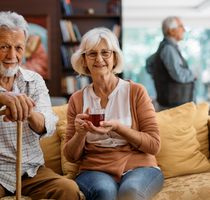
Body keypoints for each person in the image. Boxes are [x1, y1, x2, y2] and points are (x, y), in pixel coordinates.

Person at [0, 11, 82, 200]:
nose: (12, 55)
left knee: (69, 190)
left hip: (30, 170)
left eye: (19, 48)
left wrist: (27, 111)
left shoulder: (34, 81)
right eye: (4, 47)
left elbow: (46, 127)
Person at [63, 27, 164, 200]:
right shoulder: (77, 99)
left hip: (139, 167)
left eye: (105, 53)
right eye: (92, 54)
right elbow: (71, 157)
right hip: (95, 170)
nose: (99, 59)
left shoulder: (136, 92)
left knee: (130, 191)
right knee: (104, 192)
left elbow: (154, 145)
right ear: (84, 60)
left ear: (115, 58)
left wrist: (118, 127)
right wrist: (80, 134)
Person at [146, 16, 197, 111]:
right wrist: (193, 74)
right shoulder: (169, 48)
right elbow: (179, 75)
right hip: (174, 105)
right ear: (171, 30)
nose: (184, 30)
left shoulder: (165, 47)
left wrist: (160, 76)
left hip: (171, 103)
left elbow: (149, 63)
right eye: (181, 26)